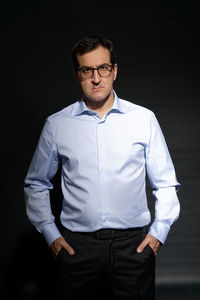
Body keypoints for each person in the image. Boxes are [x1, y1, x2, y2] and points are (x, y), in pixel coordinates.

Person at [24, 35, 180, 300]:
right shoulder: (57, 125)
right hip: (78, 250)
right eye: (87, 70)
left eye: (103, 68)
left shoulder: (143, 119)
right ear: (77, 75)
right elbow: (36, 183)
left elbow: (165, 183)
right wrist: (51, 235)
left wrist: (158, 233)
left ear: (114, 70)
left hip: (134, 248)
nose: (96, 78)